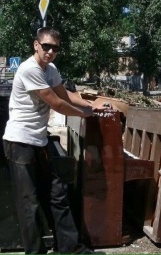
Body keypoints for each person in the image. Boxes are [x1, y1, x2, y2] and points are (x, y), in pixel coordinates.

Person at [2, 26, 99, 254]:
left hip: (40, 140)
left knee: (56, 194)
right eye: (46, 46)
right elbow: (56, 103)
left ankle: (70, 248)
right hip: (20, 143)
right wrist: (84, 114)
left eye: (55, 48)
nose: (50, 52)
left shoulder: (51, 68)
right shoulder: (28, 69)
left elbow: (65, 94)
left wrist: (91, 105)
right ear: (36, 45)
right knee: (29, 204)